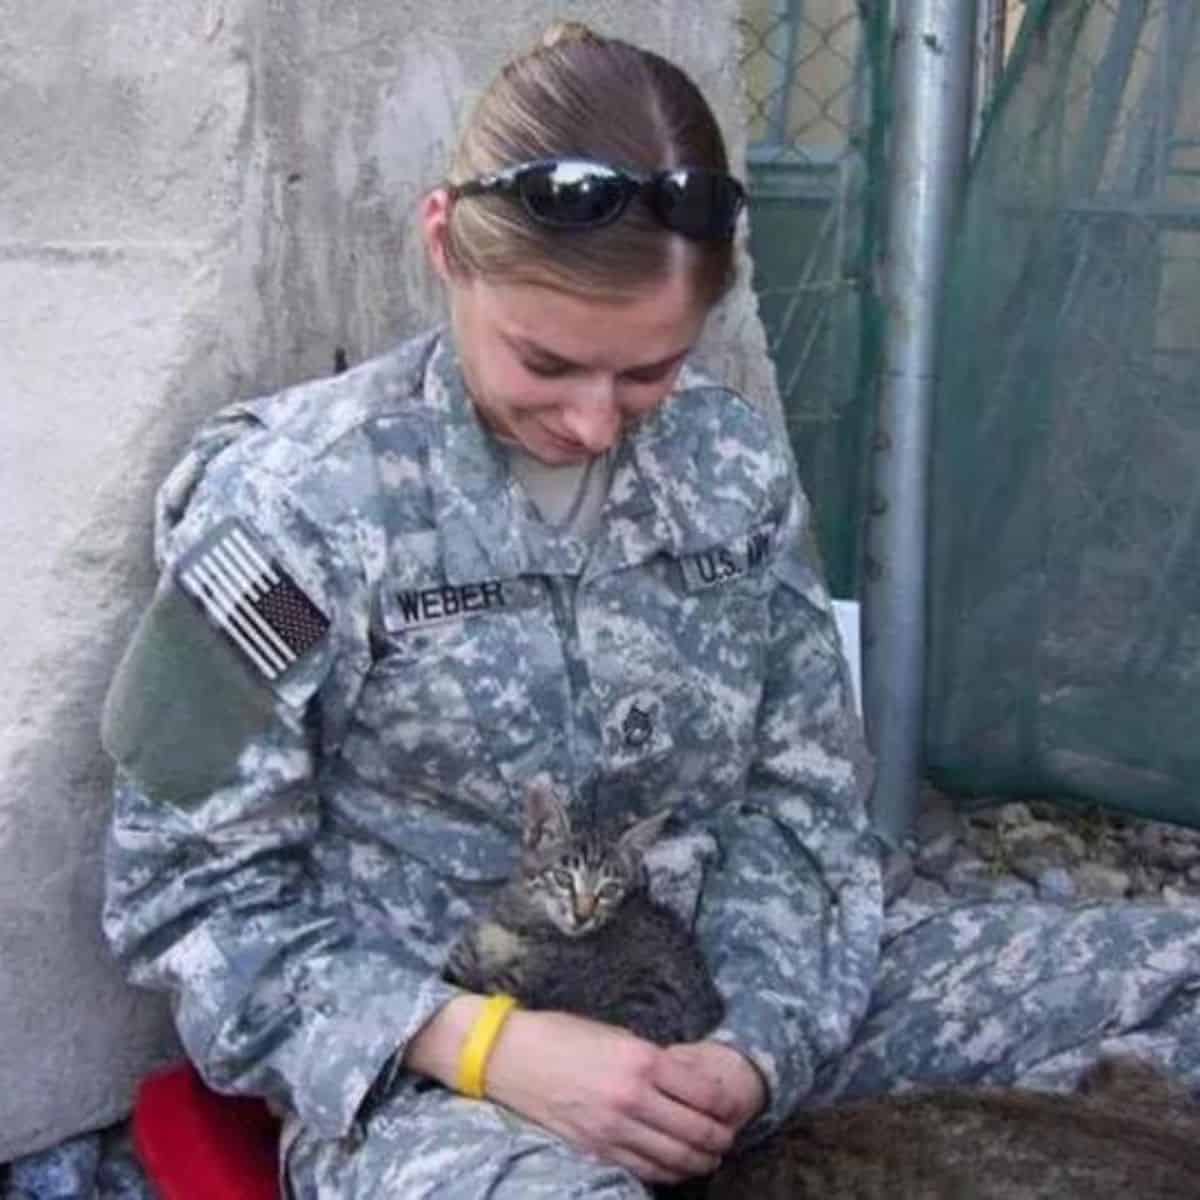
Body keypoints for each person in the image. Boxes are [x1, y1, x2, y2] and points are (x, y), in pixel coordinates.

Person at [100, 21, 1200, 1200]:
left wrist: (757, 1047)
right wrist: (488, 1045)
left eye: (648, 371)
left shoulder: (728, 465)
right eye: (545, 363)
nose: (594, 422)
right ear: (444, 248)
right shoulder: (291, 510)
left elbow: (802, 804)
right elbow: (187, 898)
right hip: (446, 1079)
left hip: (725, 990)